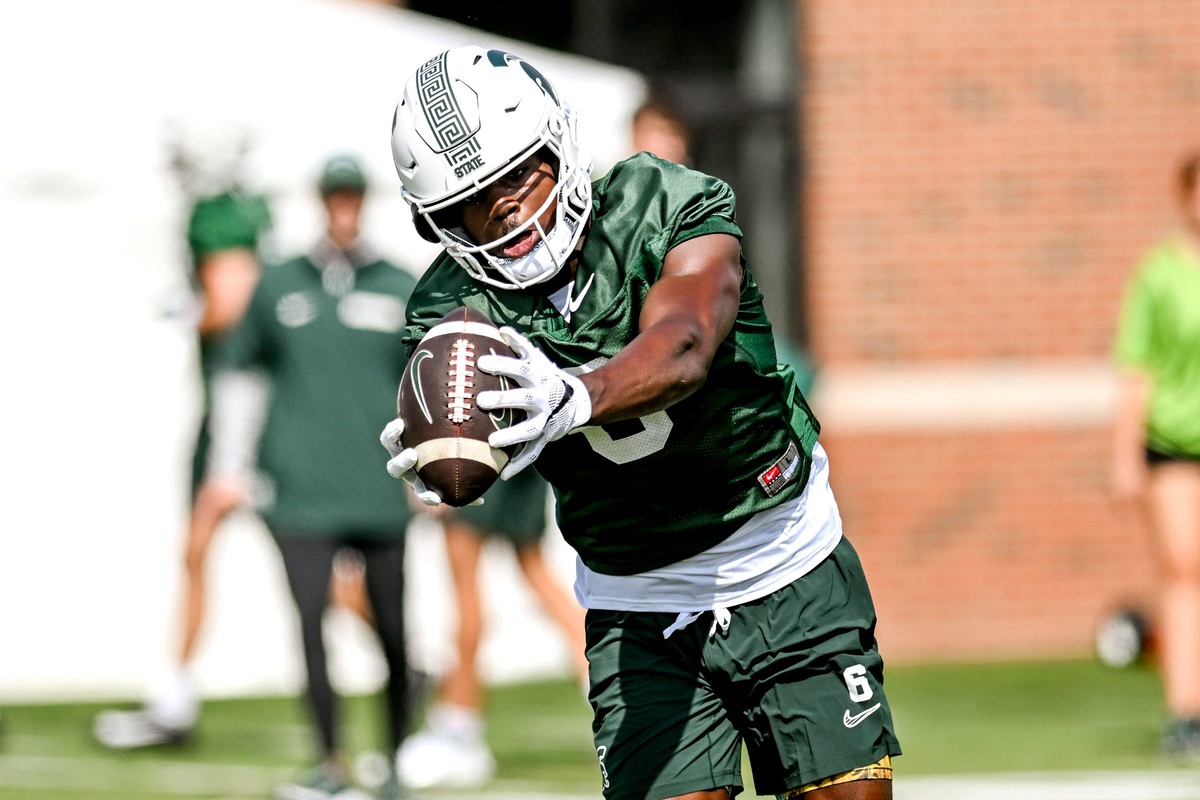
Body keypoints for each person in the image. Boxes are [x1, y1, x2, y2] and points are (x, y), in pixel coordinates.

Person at [381, 46, 900, 800]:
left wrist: (575, 396)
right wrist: (447, 456)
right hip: (637, 602)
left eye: (521, 175)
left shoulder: (665, 203)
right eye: (475, 200)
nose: (508, 210)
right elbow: (457, 433)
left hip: (783, 559)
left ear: (562, 146)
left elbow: (685, 343)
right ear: (438, 224)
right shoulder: (450, 310)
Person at [207, 153, 419, 800]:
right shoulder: (278, 283)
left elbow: (426, 383)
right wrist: (229, 467)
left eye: (353, 195)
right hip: (298, 484)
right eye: (335, 196)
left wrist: (431, 470)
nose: (344, 207)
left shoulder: (400, 283)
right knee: (309, 621)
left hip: (379, 485)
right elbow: (240, 374)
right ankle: (330, 761)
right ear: (321, 201)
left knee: (392, 627)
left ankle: (397, 760)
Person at [93, 142, 274, 750]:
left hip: (238, 411)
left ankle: (173, 698)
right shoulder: (246, 210)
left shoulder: (217, 216)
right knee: (209, 550)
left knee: (233, 547)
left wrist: (187, 312)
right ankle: (173, 693)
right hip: (244, 404)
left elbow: (232, 299)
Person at [395, 467, 588, 789]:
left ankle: (458, 730)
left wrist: (434, 465)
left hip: (475, 448)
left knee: (465, 586)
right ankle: (616, 686)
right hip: (525, 447)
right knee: (533, 568)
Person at [1112, 151, 1200, 760]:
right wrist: (1125, 455)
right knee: (1184, 571)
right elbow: (1136, 369)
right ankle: (1186, 713)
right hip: (1173, 445)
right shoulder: (1160, 273)